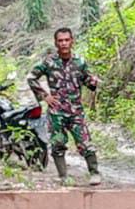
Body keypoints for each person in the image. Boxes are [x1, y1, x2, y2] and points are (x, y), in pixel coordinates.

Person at [28, 27, 102, 185]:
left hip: (76, 111)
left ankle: (94, 173)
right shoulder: (49, 62)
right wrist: (45, 96)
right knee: (58, 144)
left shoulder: (79, 62)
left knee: (85, 143)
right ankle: (63, 177)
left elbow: (89, 83)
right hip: (57, 111)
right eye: (60, 40)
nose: (64, 43)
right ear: (56, 43)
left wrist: (93, 81)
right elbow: (31, 77)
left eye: (67, 40)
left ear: (72, 41)